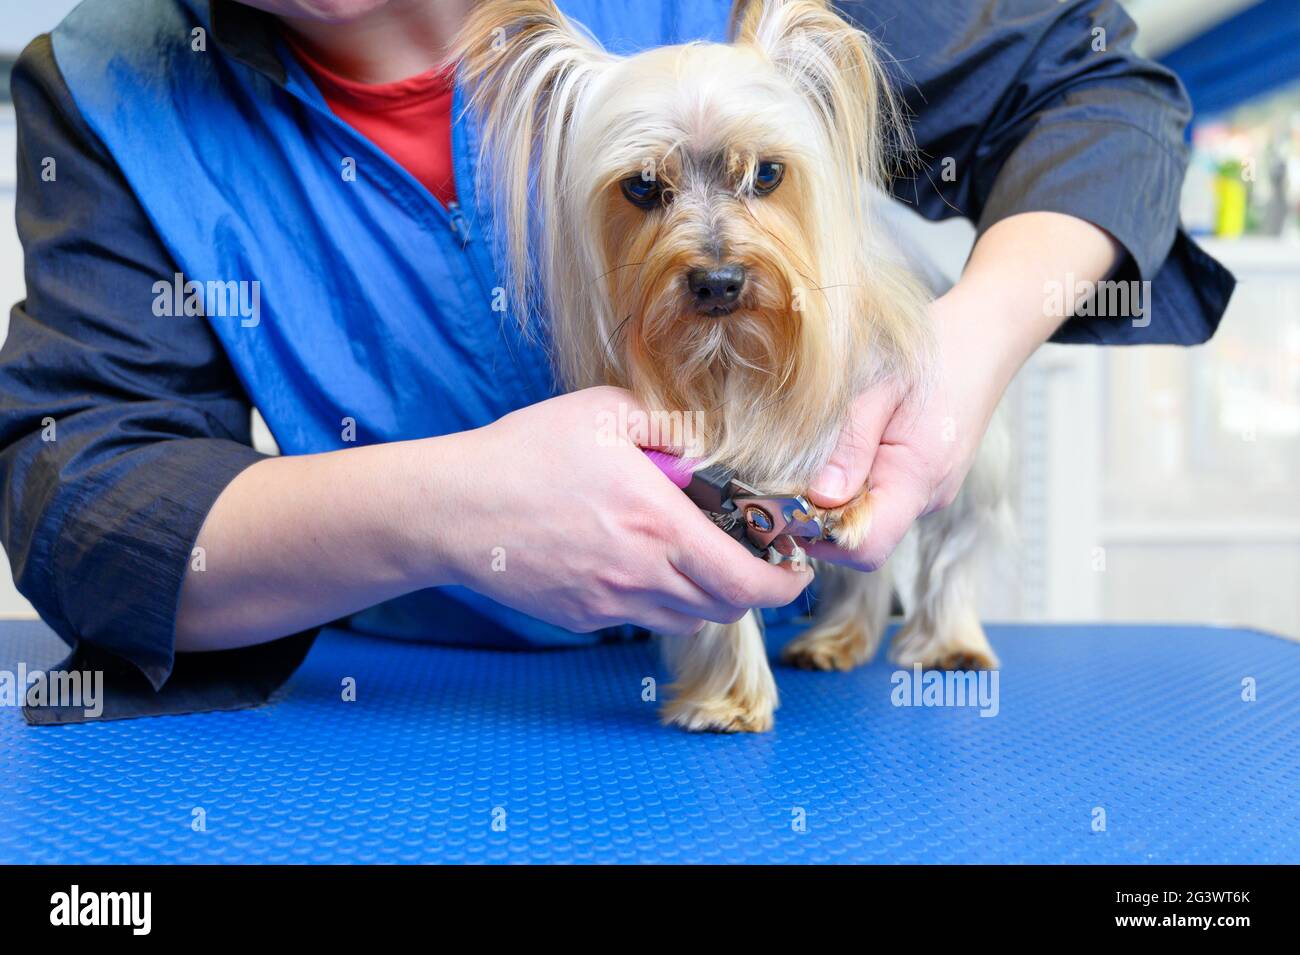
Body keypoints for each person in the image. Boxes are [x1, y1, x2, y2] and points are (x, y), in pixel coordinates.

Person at [0, 0, 1234, 719]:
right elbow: (80, 496)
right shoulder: (110, 87)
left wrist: (961, 345)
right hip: (391, 709)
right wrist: (443, 510)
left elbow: (1094, 100)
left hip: (807, 712)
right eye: (643, 190)